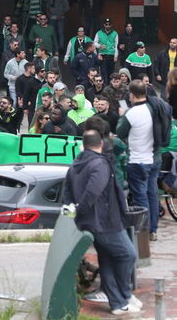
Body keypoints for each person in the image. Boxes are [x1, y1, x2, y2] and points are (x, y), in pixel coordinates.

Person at [63, 130, 140, 316]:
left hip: (90, 222)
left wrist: (74, 213)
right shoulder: (99, 164)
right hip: (105, 221)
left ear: (84, 144)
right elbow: (93, 192)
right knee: (127, 255)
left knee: (107, 260)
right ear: (101, 144)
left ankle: (118, 302)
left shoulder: (75, 164)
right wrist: (80, 209)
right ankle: (122, 298)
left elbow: (67, 193)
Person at [117, 80, 163, 240]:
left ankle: (143, 231)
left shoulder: (132, 113)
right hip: (155, 157)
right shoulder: (154, 108)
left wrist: (123, 115)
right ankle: (153, 229)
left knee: (140, 195)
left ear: (132, 95)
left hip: (138, 159)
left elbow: (120, 131)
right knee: (152, 193)